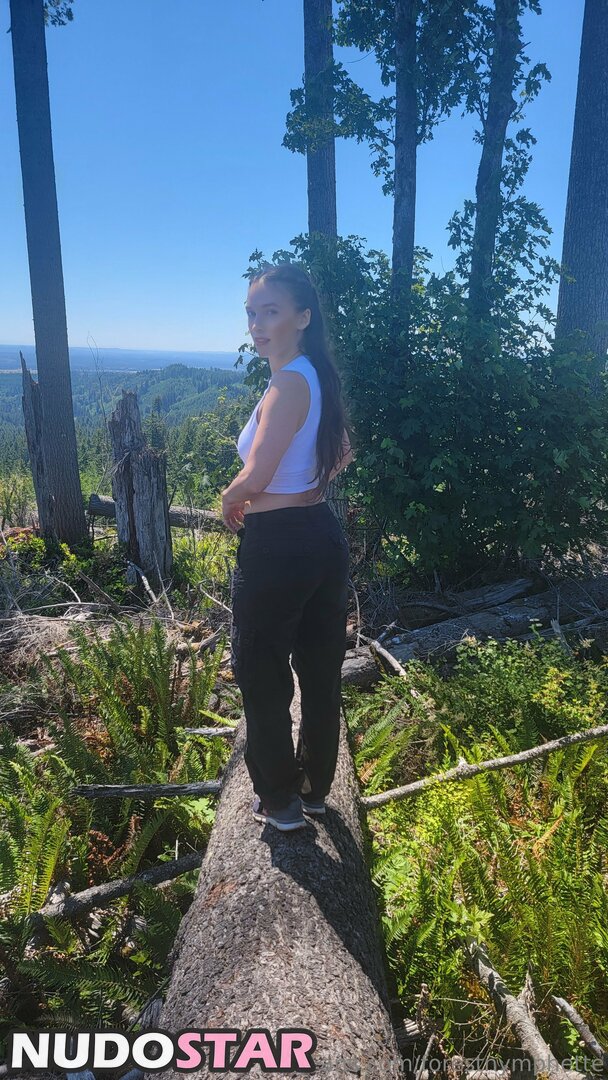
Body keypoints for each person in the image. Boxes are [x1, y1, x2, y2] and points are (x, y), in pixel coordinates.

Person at [221, 262, 355, 832]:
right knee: (321, 669)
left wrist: (229, 499)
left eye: (270, 312)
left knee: (262, 669)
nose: (257, 324)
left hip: (277, 546)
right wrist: (308, 489)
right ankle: (316, 788)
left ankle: (279, 801)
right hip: (321, 534)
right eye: (252, 313)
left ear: (302, 317)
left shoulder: (286, 385)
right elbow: (343, 451)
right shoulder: (316, 375)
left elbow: (255, 476)